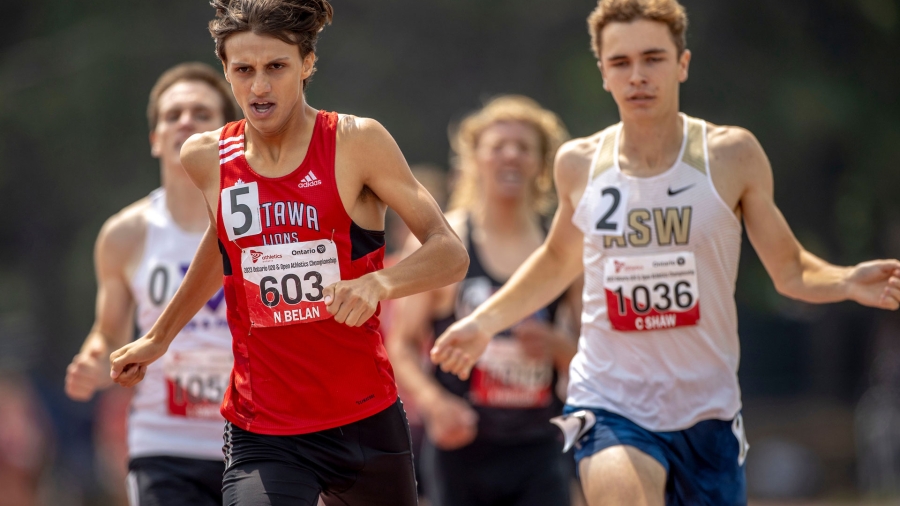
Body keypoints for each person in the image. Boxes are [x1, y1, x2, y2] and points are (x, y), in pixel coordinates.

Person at [430, 1, 900, 505]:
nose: (638, 76)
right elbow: (555, 261)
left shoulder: (730, 155)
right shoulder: (580, 163)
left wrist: (846, 280)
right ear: (604, 74)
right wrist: (481, 323)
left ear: (682, 64)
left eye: (653, 59)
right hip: (610, 400)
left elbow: (790, 269)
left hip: (707, 412)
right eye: (621, 63)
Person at [108, 1, 469, 505]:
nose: (259, 87)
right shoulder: (208, 157)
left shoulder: (355, 142)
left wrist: (378, 283)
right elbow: (223, 247)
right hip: (265, 430)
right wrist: (158, 337)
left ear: (306, 64)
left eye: (276, 67)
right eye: (244, 70)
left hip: (364, 421)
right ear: (227, 73)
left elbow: (449, 251)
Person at [388, 96, 580, 506]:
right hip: (462, 445)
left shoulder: (562, 249)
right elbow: (401, 344)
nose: (511, 155)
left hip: (540, 446)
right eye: (498, 146)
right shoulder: (444, 242)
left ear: (542, 163)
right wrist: (435, 404)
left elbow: (591, 352)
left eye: (524, 147)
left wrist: (561, 349)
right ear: (475, 159)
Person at [64, 62, 238, 505]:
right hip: (164, 446)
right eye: (171, 115)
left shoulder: (258, 224)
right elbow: (109, 332)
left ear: (229, 135)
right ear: (155, 139)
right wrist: (92, 359)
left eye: (201, 114)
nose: (185, 122)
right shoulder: (126, 234)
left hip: (258, 442)